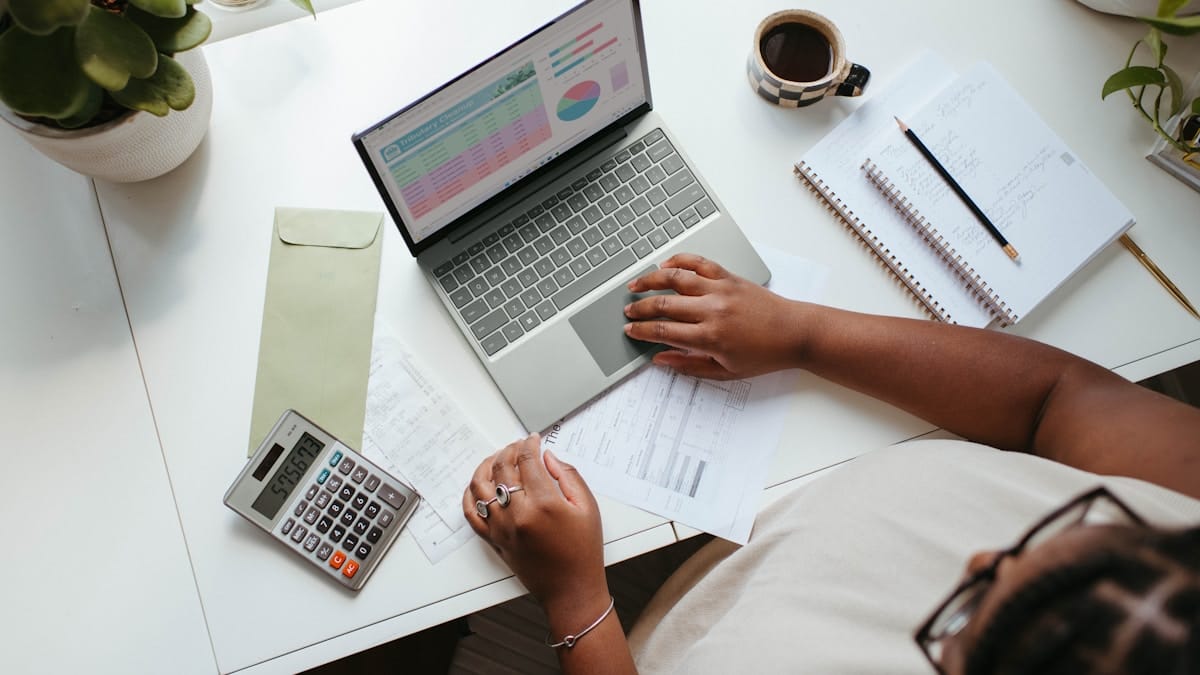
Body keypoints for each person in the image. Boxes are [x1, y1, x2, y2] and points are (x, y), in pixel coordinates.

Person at [462, 254, 1200, 674]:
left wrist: (575, 599)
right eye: (1088, 518)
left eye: (969, 615)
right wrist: (802, 333)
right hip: (756, 533)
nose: (980, 556)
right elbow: (1058, 398)